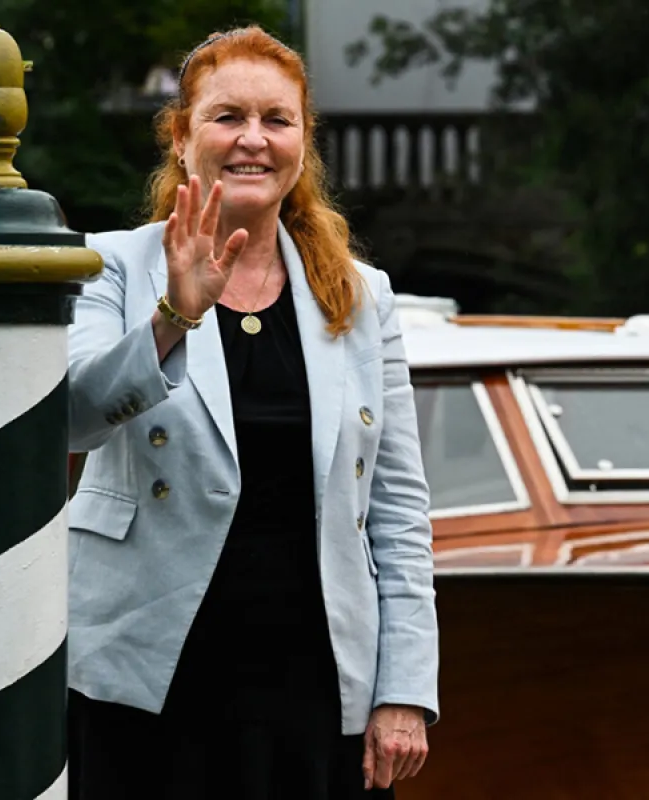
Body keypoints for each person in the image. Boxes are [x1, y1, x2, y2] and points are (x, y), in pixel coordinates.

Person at [63, 25, 439, 799]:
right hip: (147, 678)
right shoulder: (109, 265)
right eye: (227, 116)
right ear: (181, 136)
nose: (253, 140)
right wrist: (175, 314)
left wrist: (403, 688)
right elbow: (73, 419)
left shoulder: (365, 297)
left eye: (277, 119)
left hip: (316, 684)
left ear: (305, 141)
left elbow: (399, 509)